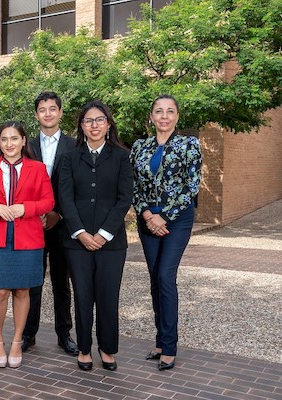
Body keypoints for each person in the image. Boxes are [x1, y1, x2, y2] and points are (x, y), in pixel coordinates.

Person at [0, 121, 54, 368]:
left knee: (22, 291)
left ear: (24, 141)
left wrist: (25, 208)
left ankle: (16, 341)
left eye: (14, 138)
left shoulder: (38, 169)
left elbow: (48, 201)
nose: (9, 144)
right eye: (4, 139)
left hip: (28, 238)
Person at [59, 100, 133, 371]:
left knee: (107, 295)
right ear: (81, 125)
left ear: (108, 123)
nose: (94, 125)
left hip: (111, 243)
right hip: (76, 242)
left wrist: (103, 234)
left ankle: (108, 348)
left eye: (99, 119)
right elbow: (65, 198)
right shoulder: (70, 157)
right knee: (82, 295)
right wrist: (80, 233)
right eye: (88, 120)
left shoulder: (122, 156)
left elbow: (125, 198)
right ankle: (84, 348)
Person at [130, 94, 202, 371]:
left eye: (169, 111)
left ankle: (170, 346)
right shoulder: (139, 146)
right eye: (158, 111)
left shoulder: (189, 145)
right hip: (148, 219)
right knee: (154, 279)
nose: (164, 116)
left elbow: (191, 187)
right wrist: (148, 215)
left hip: (177, 219)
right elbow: (133, 185)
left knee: (165, 276)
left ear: (177, 116)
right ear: (151, 116)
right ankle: (160, 341)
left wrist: (163, 217)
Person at [23, 91, 77, 356]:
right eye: (42, 109)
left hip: (63, 224)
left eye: (52, 108)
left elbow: (77, 187)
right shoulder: (27, 146)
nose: (47, 113)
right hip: (32, 223)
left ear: (60, 112)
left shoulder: (74, 145)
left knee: (60, 281)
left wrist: (59, 213)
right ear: (36, 114)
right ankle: (28, 333)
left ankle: (64, 334)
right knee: (33, 280)